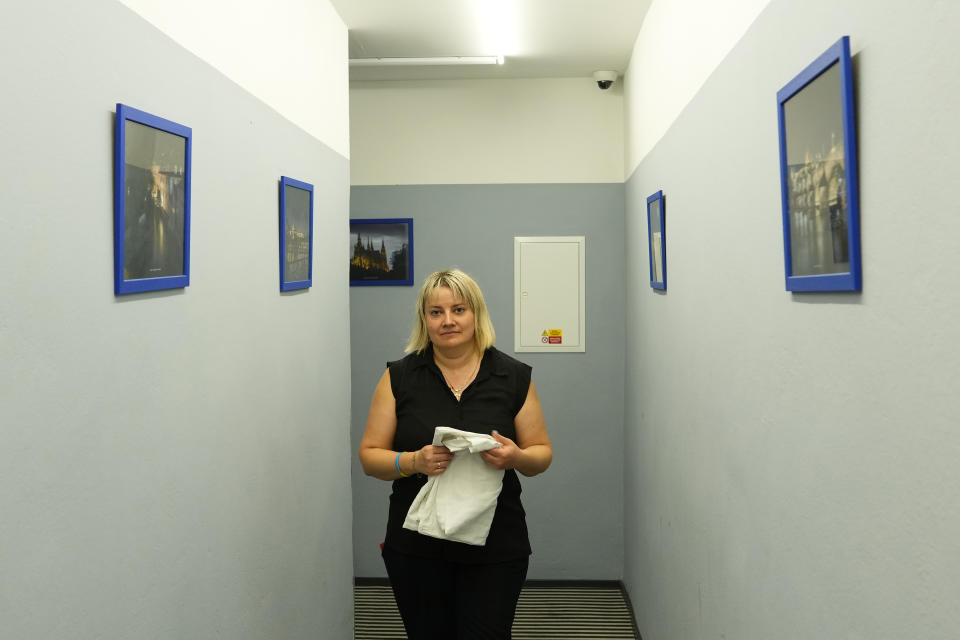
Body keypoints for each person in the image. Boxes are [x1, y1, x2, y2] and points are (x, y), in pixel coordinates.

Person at [359, 268, 553, 640]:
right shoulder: (398, 378)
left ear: (476, 315)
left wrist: (515, 458)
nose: (448, 321)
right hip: (416, 545)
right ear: (424, 320)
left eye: (459, 310)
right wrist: (412, 461)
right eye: (436, 312)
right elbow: (370, 457)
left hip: (496, 544)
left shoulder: (513, 377)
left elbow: (541, 454)